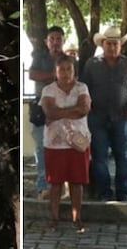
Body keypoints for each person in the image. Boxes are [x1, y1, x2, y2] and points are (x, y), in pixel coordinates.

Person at [80, 25, 127, 202]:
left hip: (121, 117)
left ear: (120, 45)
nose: (112, 47)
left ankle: (123, 193)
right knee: (99, 158)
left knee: (123, 157)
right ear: (103, 45)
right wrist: (87, 106)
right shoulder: (92, 64)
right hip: (96, 117)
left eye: (115, 44)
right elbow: (83, 88)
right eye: (109, 44)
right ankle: (104, 192)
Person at [41, 54, 92, 232]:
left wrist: (59, 112)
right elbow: (49, 112)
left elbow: (84, 109)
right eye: (61, 69)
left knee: (76, 182)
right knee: (55, 183)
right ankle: (53, 218)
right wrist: (72, 110)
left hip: (78, 141)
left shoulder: (82, 88)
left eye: (68, 69)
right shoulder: (48, 90)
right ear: (55, 72)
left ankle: (77, 218)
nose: (65, 73)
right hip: (54, 143)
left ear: (74, 70)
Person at [28, 26, 66, 199]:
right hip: (41, 107)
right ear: (46, 41)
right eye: (52, 39)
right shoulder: (39, 57)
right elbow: (33, 75)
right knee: (41, 148)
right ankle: (43, 186)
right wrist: (55, 75)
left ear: (63, 40)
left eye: (58, 39)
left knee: (62, 147)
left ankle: (60, 186)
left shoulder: (69, 60)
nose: (55, 42)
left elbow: (71, 80)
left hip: (63, 107)